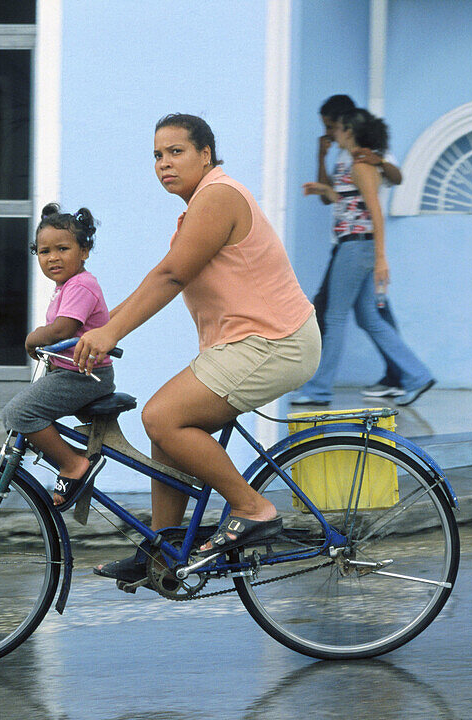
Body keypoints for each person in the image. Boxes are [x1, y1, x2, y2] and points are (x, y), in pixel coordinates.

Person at [72, 114, 320, 582]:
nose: (164, 163)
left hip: (275, 342)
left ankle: (252, 507)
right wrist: (95, 328)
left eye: (176, 152)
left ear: (206, 154)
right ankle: (162, 549)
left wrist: (111, 335)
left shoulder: (218, 196)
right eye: (157, 156)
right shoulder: (201, 205)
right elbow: (162, 274)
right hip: (248, 344)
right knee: (166, 427)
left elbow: (170, 277)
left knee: (162, 417)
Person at [295, 109, 435, 408]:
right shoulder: (353, 166)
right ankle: (417, 376)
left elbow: (375, 211)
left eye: (337, 129)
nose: (333, 134)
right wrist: (325, 190)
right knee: (369, 317)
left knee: (333, 316)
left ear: (349, 130)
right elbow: (353, 203)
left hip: (356, 248)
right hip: (358, 247)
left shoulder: (361, 166)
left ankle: (318, 390)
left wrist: (381, 259)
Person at [1, 203, 114, 510]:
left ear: (84, 251)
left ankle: (73, 465)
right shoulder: (67, 286)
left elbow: (64, 329)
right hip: (70, 372)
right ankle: (69, 463)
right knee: (17, 416)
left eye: (63, 248)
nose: (52, 258)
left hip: (85, 376)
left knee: (19, 414)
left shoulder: (81, 285)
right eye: (44, 251)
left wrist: (33, 338)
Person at [309, 94, 407, 400]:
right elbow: (331, 197)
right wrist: (320, 157)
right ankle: (407, 375)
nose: (326, 132)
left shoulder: (366, 147)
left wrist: (377, 160)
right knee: (367, 314)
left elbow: (395, 177)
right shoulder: (340, 152)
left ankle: (401, 376)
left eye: (329, 126)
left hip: (358, 242)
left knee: (339, 312)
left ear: (343, 123)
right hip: (344, 242)